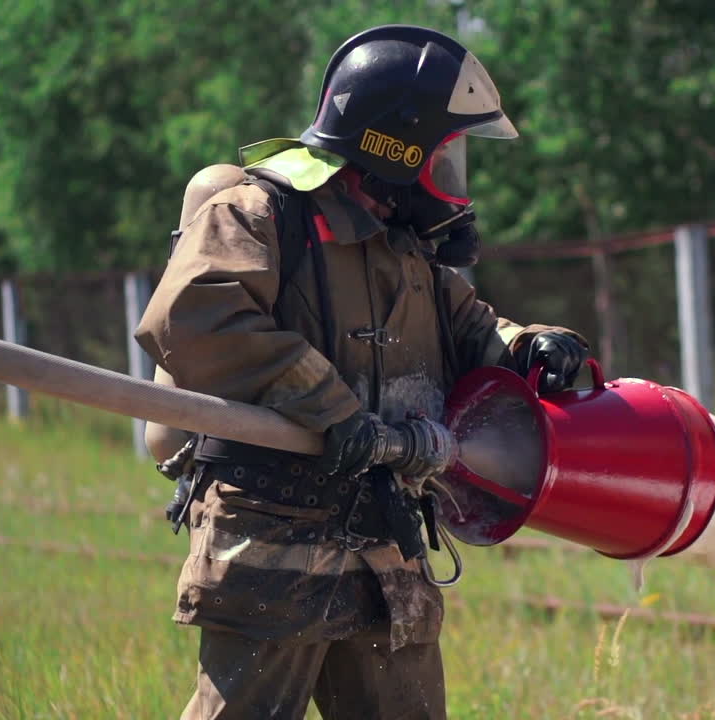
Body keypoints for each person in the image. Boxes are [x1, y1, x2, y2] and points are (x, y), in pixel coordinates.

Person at [135, 24, 589, 720]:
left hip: (385, 549)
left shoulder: (407, 251)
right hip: (273, 543)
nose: (455, 174)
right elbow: (191, 317)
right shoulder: (260, 215)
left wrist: (531, 348)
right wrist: (331, 406)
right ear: (397, 145)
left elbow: (474, 333)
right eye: (446, 152)